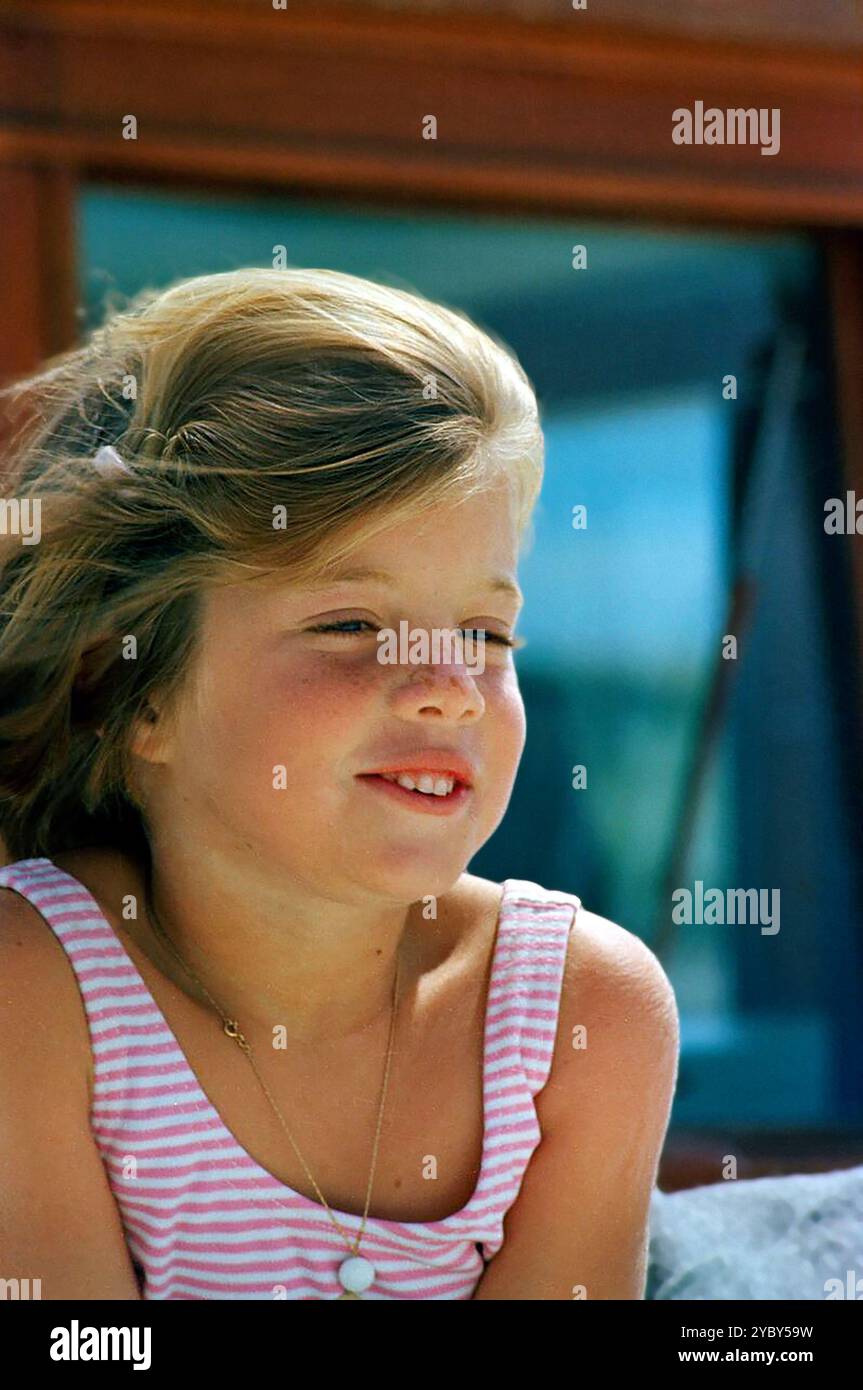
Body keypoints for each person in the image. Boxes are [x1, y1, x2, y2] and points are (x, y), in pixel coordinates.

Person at [0, 266, 678, 1300]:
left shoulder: (583, 1021)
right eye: (351, 625)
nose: (448, 690)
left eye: (484, 633)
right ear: (126, 688)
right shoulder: (34, 992)